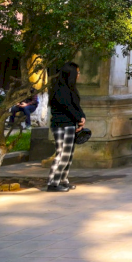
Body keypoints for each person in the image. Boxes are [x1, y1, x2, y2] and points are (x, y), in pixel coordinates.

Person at [47, 63, 86, 192]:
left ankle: (63, 180)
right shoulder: (59, 90)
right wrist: (78, 118)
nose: (79, 75)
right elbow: (67, 107)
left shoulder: (71, 89)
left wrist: (82, 118)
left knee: (68, 155)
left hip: (70, 124)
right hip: (61, 125)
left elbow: (76, 106)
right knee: (62, 154)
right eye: (77, 73)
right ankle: (53, 182)